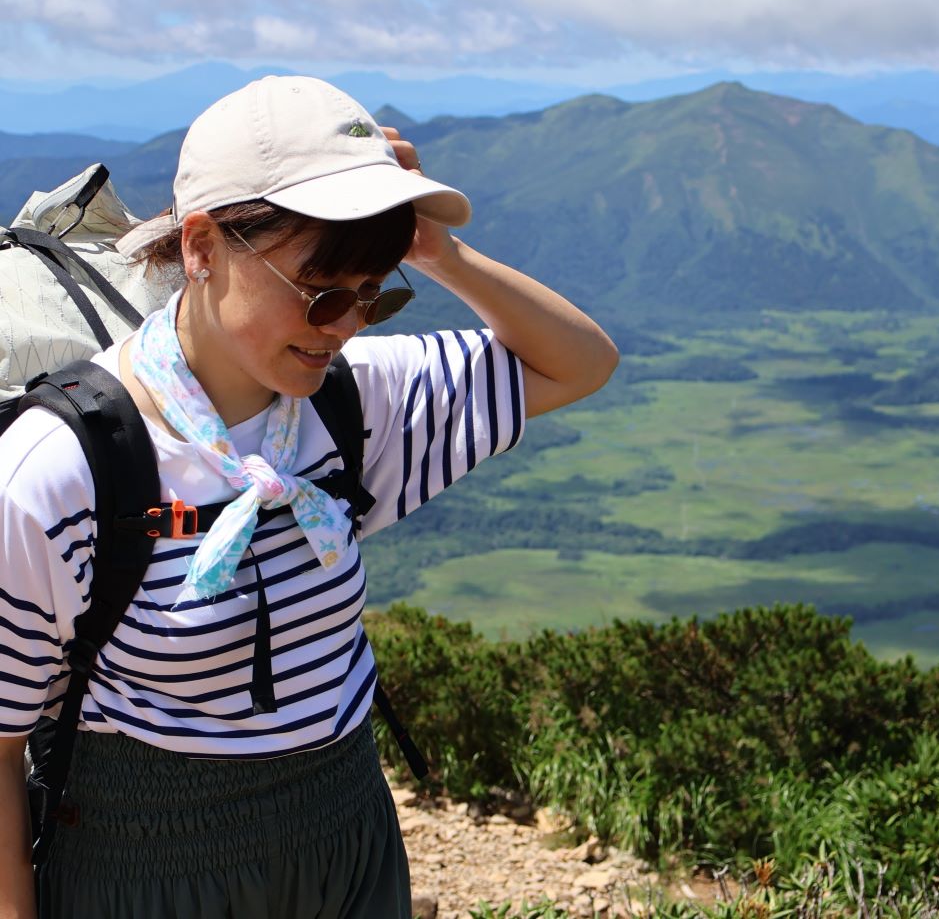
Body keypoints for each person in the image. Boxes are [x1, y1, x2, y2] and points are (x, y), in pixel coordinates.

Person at [0, 75, 618, 918]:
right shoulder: (61, 468)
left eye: (375, 293)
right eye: (322, 289)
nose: (347, 325)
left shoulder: (354, 403)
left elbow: (580, 363)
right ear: (202, 247)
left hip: (347, 840)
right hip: (149, 871)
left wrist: (430, 248)